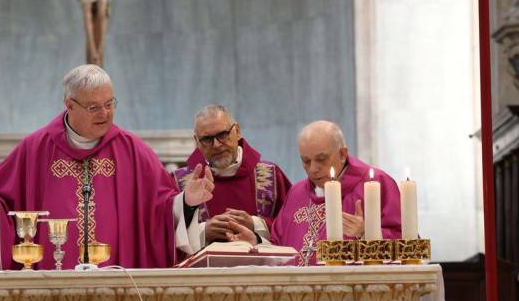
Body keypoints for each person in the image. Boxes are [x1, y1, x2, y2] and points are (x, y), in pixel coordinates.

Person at [0, 64, 214, 270]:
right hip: (52, 287)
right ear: (69, 105)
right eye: (94, 107)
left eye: (110, 104)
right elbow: (1, 206)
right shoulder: (35, 149)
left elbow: (161, 212)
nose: (105, 113)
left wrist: (186, 202)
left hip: (119, 285)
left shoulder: (132, 150)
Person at [267, 120, 401, 265]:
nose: (313, 169)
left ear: (342, 154)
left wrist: (366, 234)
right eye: (306, 161)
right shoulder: (296, 193)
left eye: (321, 159)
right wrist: (258, 242)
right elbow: (278, 245)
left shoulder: (376, 184)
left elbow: (404, 245)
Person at [172, 104, 290, 249]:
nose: (216, 145)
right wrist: (202, 231)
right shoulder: (179, 182)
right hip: (203, 272)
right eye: (207, 139)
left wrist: (256, 224)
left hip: (260, 270)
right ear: (197, 142)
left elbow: (292, 228)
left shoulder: (271, 176)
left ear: (237, 131)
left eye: (222, 135)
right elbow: (162, 235)